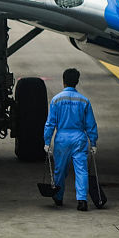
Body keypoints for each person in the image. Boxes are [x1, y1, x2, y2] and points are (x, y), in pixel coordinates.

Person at [43, 68, 98, 211]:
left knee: (60, 170)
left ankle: (58, 197)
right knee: (81, 170)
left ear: (63, 81)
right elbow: (90, 124)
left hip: (62, 139)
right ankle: (82, 200)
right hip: (79, 138)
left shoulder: (56, 100)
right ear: (77, 82)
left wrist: (47, 141)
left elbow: (50, 123)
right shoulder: (84, 101)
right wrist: (93, 142)